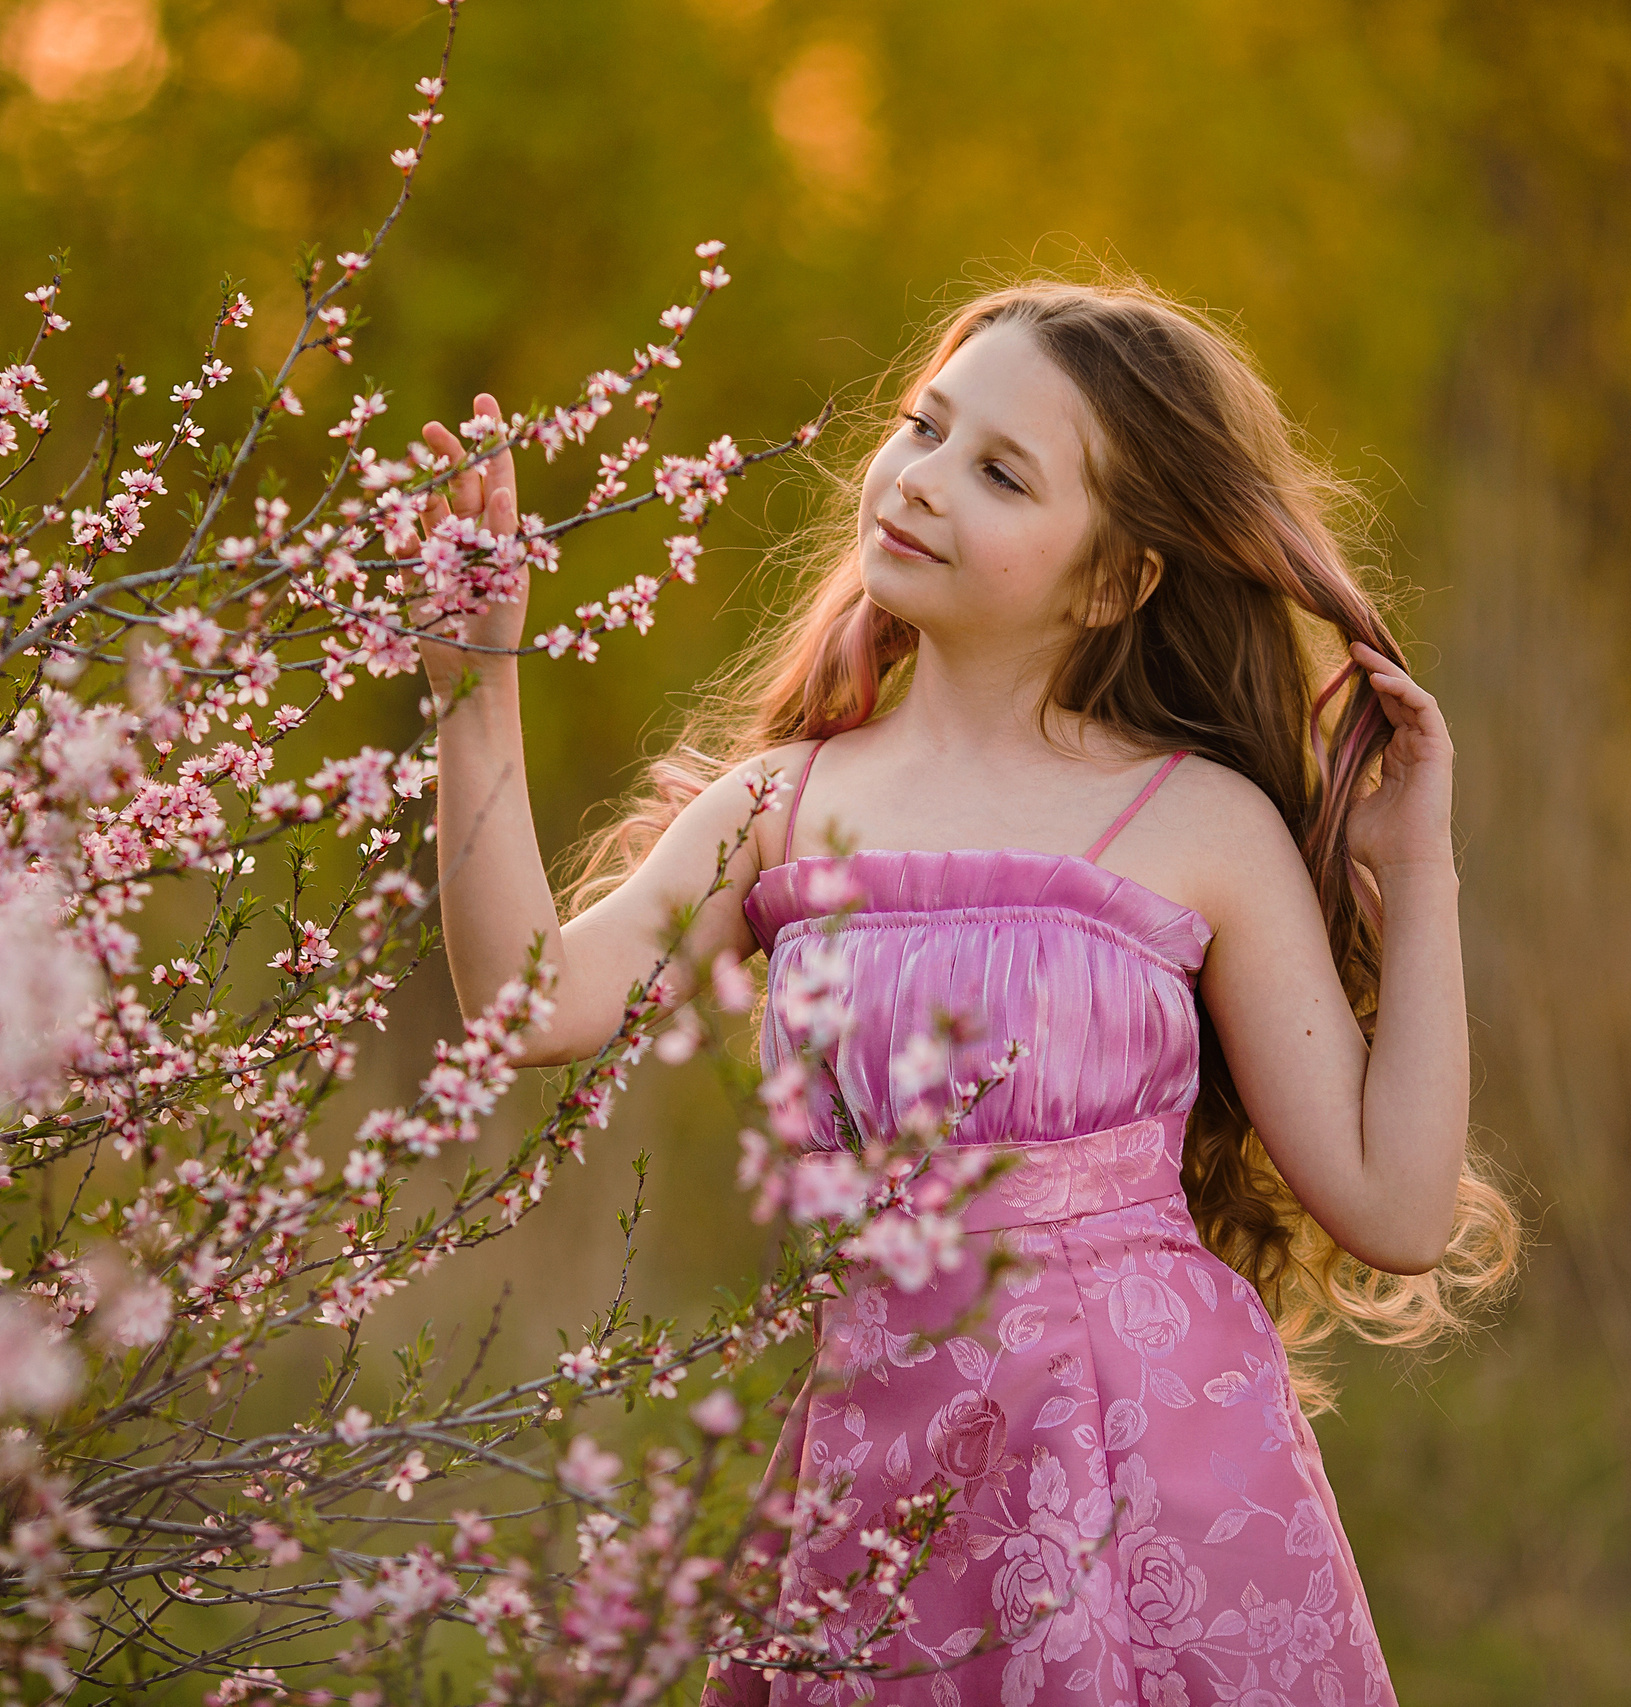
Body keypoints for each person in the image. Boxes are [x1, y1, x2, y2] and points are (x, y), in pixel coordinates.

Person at [412, 279, 1518, 1706]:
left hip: (1151, 1472)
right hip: (887, 1463)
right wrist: (472, 688)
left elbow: (1396, 1208)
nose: (922, 483)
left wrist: (1414, 874)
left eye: (999, 473)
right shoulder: (786, 807)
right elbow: (528, 1005)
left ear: (1115, 580)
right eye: (925, 430)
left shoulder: (1198, 823)